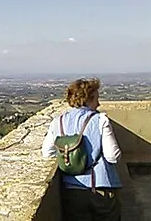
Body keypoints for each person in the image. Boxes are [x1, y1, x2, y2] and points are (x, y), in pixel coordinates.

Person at [41, 78, 121, 221]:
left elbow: (47, 153)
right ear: (88, 99)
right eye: (96, 98)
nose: (99, 103)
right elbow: (112, 156)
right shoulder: (100, 120)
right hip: (100, 187)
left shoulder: (57, 122)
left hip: (72, 190)